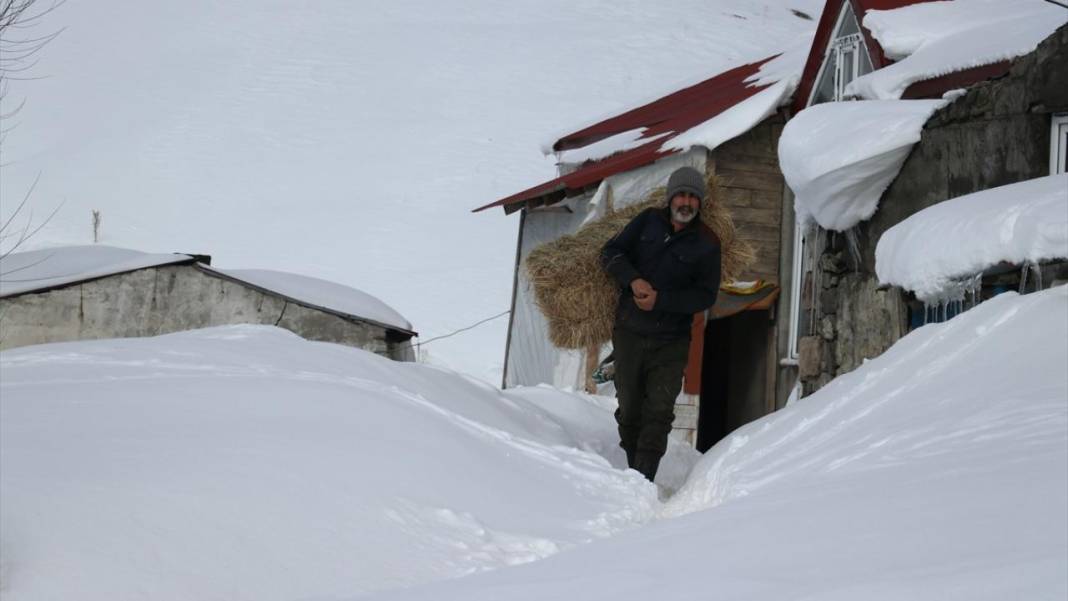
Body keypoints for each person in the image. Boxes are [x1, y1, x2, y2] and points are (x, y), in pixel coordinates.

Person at [600, 166, 721, 482]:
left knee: (659, 412)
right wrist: (633, 279)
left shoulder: (708, 243)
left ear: (700, 202)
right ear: (670, 197)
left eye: (693, 197)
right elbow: (610, 252)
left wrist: (661, 300)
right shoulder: (647, 221)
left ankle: (643, 480)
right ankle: (634, 473)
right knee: (629, 409)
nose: (686, 202)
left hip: (671, 341)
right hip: (629, 332)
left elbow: (705, 296)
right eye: (681, 195)